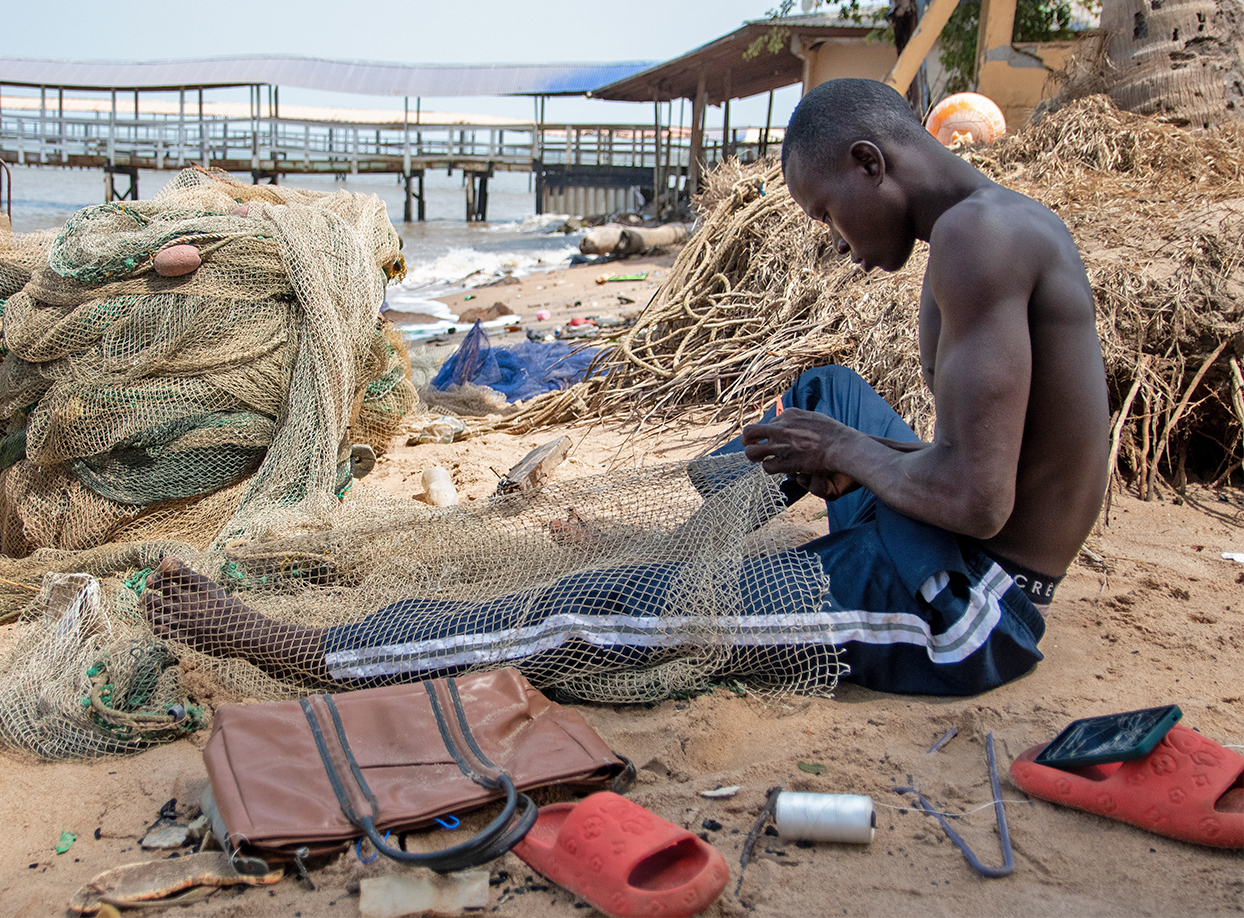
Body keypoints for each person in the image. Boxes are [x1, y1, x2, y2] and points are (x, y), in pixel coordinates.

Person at [144, 78, 1110, 697]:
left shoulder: (980, 245)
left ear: (873, 161)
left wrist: (844, 455)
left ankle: (320, 653)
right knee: (829, 392)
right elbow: (978, 468)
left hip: (968, 605)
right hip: (947, 535)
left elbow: (981, 502)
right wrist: (838, 443)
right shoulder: (982, 224)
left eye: (827, 212)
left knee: (584, 608)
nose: (836, 241)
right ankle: (699, 538)